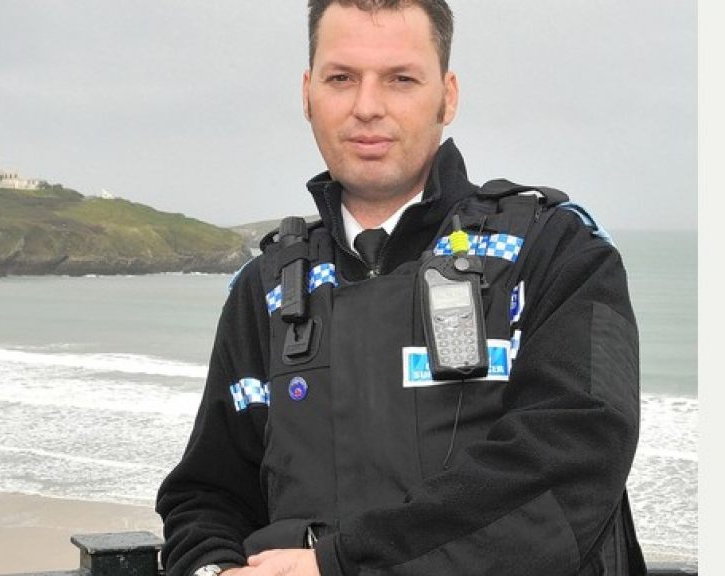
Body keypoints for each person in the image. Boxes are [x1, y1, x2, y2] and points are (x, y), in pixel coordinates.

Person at [156, 1, 646, 575]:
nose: (367, 107)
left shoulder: (555, 252)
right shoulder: (265, 288)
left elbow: (572, 467)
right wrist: (213, 569)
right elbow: (207, 494)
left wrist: (337, 566)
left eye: (401, 79)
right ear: (308, 94)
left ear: (447, 97)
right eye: (342, 78)